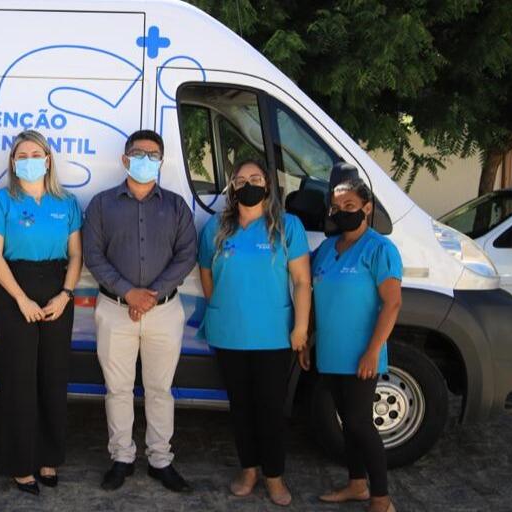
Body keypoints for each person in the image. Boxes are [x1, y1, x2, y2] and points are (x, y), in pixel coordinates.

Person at [83, 129, 197, 493]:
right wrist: (128, 292)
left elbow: (187, 255)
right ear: (124, 159)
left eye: (153, 155)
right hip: (115, 309)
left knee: (160, 389)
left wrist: (150, 295)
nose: (145, 160)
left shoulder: (176, 206)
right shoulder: (101, 205)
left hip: (164, 311)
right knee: (117, 389)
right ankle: (122, 457)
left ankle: (161, 460)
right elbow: (92, 255)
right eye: (138, 153)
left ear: (161, 162)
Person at [197, 159, 311, 506]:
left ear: (267, 184)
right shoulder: (216, 227)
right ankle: (248, 469)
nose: (249, 184)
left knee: (270, 409)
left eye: (256, 178)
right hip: (229, 333)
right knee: (241, 407)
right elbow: (206, 273)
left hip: (273, 336)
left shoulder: (287, 226)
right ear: (232, 187)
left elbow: (302, 281)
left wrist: (301, 327)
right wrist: (223, 306)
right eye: (241, 179)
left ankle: (274, 477)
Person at [0, 129, 82, 495]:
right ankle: (20, 463)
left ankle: (48, 457)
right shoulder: (2, 201)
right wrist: (21, 299)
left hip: (57, 289)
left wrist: (65, 295)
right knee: (18, 379)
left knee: (53, 376)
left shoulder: (66, 202)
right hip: (14, 289)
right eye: (21, 156)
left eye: (35, 154)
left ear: (48, 160)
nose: (29, 161)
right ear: (13, 163)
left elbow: (76, 254)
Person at [302, 178, 401, 512]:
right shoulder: (326, 249)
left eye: (350, 206)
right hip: (330, 353)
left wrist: (373, 351)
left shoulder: (380, 249)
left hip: (361, 356)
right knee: (347, 421)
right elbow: (312, 294)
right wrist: (307, 338)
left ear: (367, 208)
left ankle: (381, 499)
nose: (341, 212)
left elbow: (392, 304)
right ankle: (357, 485)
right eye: (336, 208)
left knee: (360, 424)